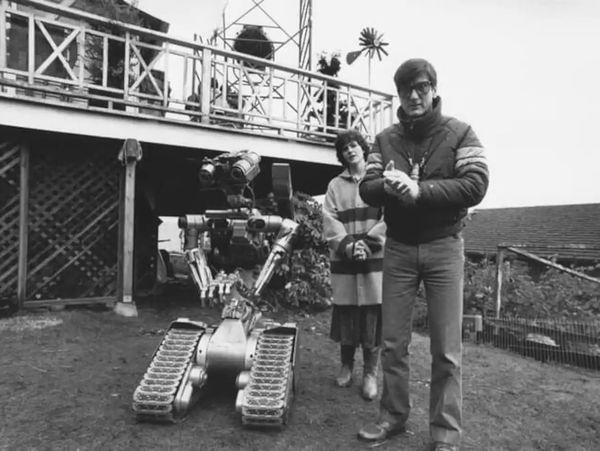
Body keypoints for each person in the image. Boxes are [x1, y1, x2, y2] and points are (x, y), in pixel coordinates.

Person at [357, 59, 489, 451]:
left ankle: (445, 434)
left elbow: (476, 183)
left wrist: (420, 191)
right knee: (394, 342)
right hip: (397, 248)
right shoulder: (384, 140)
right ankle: (393, 418)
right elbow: (367, 186)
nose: (413, 96)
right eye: (405, 89)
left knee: (446, 349)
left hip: (445, 247)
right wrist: (387, 186)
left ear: (433, 89)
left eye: (421, 87)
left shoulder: (461, 133)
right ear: (398, 94)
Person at [322, 130, 387, 401]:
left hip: (375, 261)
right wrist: (349, 246)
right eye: (345, 148)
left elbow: (391, 216)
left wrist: (369, 244)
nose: (350, 151)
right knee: (347, 314)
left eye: (354, 145)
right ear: (341, 155)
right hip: (345, 260)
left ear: (363, 148)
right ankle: (346, 366)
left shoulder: (380, 182)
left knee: (372, 317)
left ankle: (370, 373)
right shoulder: (335, 186)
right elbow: (329, 219)